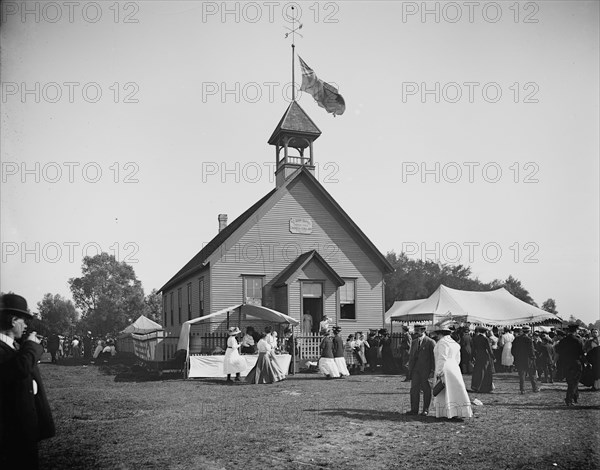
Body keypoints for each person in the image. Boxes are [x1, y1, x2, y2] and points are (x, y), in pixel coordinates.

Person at [0, 293, 55, 469]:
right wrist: (31, 347)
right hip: (11, 434)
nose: (25, 325)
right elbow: (17, 370)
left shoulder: (13, 347)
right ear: (13, 320)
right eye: (23, 320)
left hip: (22, 431)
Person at [432, 325, 473, 420]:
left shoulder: (442, 342)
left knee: (443, 390)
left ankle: (445, 412)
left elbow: (442, 357)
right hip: (454, 367)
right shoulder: (454, 343)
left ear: (440, 333)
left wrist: (439, 371)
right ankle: (457, 411)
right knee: (455, 390)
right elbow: (458, 359)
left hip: (445, 367)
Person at [406, 325, 435, 416]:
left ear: (423, 331)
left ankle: (425, 410)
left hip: (426, 371)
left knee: (426, 390)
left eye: (417, 330)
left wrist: (432, 371)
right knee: (414, 390)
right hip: (415, 370)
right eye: (415, 330)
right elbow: (411, 357)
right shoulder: (414, 342)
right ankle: (414, 409)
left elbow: (433, 358)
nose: (416, 332)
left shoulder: (430, 342)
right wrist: (410, 369)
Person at [555, 323, 585, 406]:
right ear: (576, 330)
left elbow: (558, 353)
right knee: (574, 382)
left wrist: (554, 362)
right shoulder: (578, 340)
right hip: (575, 363)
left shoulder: (563, 341)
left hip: (565, 363)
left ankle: (575, 396)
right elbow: (582, 353)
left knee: (570, 381)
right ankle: (569, 399)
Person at [511, 326, 540, 394]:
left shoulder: (517, 339)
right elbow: (531, 350)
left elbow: (513, 350)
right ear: (529, 331)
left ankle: (522, 389)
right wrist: (533, 357)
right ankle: (535, 388)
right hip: (528, 360)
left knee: (522, 375)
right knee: (532, 374)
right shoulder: (529, 340)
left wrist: (516, 356)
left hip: (519, 359)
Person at [471, 326, 495, 393]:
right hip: (485, 356)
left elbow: (473, 349)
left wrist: (472, 357)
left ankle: (476, 386)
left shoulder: (475, 338)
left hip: (478, 355)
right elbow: (489, 349)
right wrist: (493, 357)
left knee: (478, 371)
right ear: (485, 332)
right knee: (486, 371)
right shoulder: (486, 339)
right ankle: (485, 387)